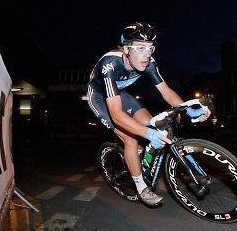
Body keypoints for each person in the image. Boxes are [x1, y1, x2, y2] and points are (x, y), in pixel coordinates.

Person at [87, 22, 210, 206]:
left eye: (151, 48)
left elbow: (166, 92)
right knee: (132, 138)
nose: (147, 55)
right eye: (141, 48)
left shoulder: (150, 63)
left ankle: (143, 162)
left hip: (120, 94)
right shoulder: (110, 64)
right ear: (127, 49)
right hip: (99, 97)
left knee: (153, 123)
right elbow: (116, 114)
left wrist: (188, 110)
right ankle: (141, 187)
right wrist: (146, 134)